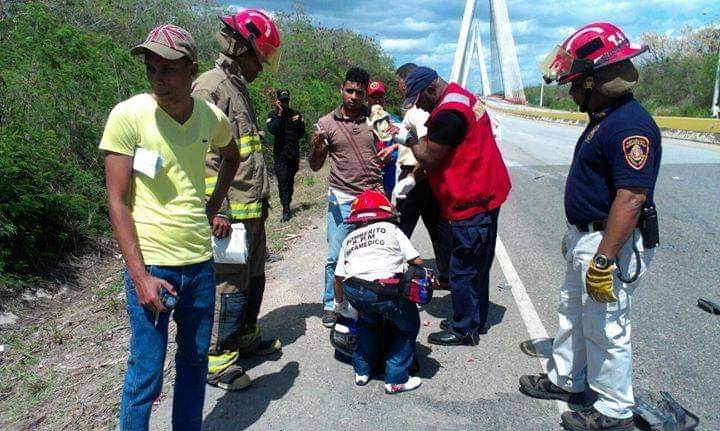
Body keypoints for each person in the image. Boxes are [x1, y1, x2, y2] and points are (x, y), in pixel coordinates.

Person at [519, 22, 661, 431]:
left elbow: (631, 198)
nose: (571, 91)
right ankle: (567, 379)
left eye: (576, 83)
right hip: (590, 236)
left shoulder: (629, 126)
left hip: (608, 242)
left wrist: (603, 258)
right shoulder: (607, 116)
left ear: (598, 80)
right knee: (574, 314)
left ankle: (614, 410)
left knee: (606, 327)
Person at [100, 25, 240, 430]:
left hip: (198, 264)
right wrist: (140, 277)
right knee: (146, 373)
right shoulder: (129, 116)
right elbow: (118, 202)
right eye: (151, 68)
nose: (158, 77)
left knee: (194, 365)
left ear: (192, 70)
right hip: (154, 267)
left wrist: (212, 206)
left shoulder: (209, 117)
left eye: (168, 68)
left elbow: (231, 156)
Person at [192, 9, 282, 392]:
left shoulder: (236, 86)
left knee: (253, 278)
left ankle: (245, 337)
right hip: (229, 214)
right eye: (257, 58)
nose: (261, 68)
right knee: (229, 285)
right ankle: (218, 362)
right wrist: (219, 209)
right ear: (238, 46)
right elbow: (201, 157)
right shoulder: (209, 87)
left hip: (253, 207)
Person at [402, 66, 511, 346]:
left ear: (431, 89)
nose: (420, 106)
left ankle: (464, 329)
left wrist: (411, 139)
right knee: (478, 264)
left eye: (420, 99)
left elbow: (429, 158)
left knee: (463, 267)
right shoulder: (462, 96)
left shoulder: (448, 113)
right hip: (487, 192)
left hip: (472, 200)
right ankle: (475, 319)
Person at [309, 67, 382, 328]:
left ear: (365, 95)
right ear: (341, 89)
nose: (353, 96)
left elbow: (396, 146)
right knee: (335, 256)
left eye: (358, 93)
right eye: (349, 91)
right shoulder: (326, 123)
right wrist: (318, 147)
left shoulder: (376, 119)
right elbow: (315, 165)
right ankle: (331, 304)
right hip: (341, 198)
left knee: (373, 254)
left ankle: (370, 303)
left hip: (373, 199)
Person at [333, 190, 423, 394]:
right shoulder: (391, 229)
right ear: (382, 213)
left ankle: (362, 371)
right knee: (408, 326)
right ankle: (396, 378)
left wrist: (339, 306)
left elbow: (337, 278)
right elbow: (416, 261)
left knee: (367, 324)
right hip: (385, 292)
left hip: (355, 291)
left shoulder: (349, 239)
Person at [391, 63, 452, 290]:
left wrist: (411, 180)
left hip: (417, 175)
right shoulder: (415, 107)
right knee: (438, 226)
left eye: (399, 84)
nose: (399, 89)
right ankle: (447, 273)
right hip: (422, 174)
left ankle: (393, 274)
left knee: (400, 227)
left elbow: (427, 152)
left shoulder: (417, 111)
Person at [267, 89, 306, 222]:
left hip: (293, 153)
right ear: (277, 101)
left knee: (290, 180)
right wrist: (279, 114)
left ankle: (287, 203)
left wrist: (298, 123)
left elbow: (301, 132)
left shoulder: (295, 114)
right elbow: (272, 130)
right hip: (280, 155)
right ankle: (286, 209)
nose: (285, 103)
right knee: (283, 181)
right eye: (282, 100)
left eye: (286, 100)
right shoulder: (273, 115)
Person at [366, 80, 400, 200]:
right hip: (368, 177)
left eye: (380, 96)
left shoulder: (395, 121)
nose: (377, 100)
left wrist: (392, 153)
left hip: (391, 175)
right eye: (373, 97)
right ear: (367, 99)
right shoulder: (360, 122)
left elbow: (408, 145)